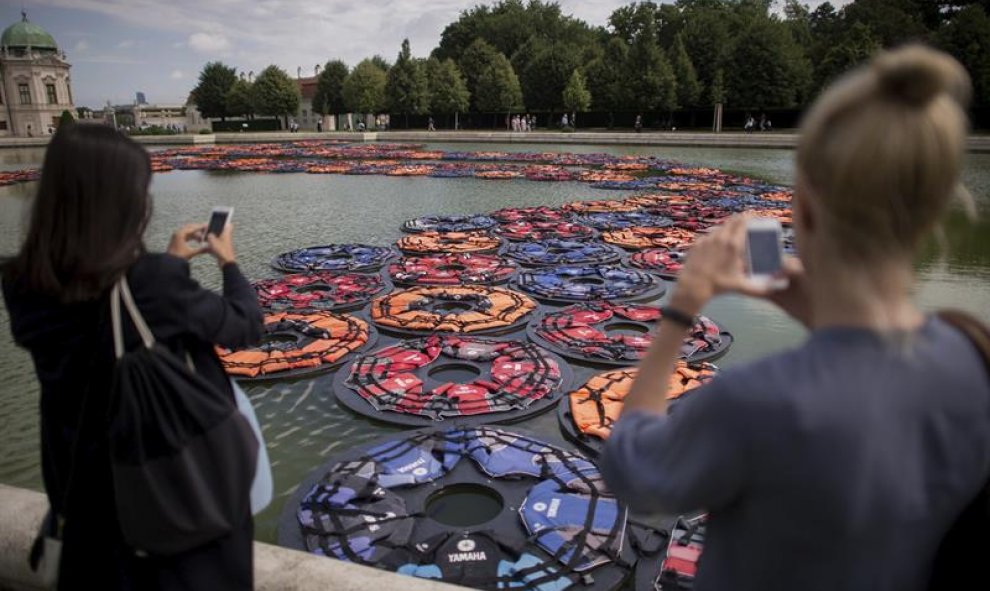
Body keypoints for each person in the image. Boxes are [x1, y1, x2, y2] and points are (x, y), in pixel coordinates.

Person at [600, 45, 989, 591]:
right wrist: (816, 312)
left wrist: (681, 308)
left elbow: (631, 471)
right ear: (931, 218)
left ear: (802, 206)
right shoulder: (971, 353)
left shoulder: (755, 400)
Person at [2, 124, 262, 590]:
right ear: (122, 202)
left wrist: (169, 264)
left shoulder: (23, 283)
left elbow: (106, 324)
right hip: (171, 500)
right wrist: (227, 260)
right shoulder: (151, 283)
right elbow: (244, 326)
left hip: (84, 504)